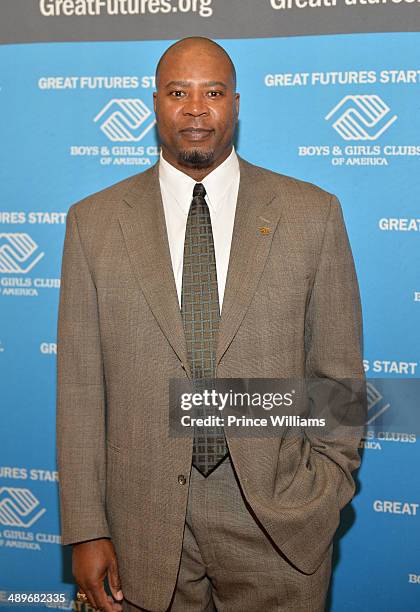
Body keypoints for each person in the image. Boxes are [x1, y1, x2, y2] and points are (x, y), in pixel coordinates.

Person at [56, 37, 366, 612]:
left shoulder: (311, 214)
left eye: (213, 92)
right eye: (179, 92)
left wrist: (322, 490)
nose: (196, 108)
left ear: (236, 104)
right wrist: (86, 527)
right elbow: (79, 392)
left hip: (277, 522)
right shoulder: (93, 224)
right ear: (155, 103)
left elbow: (338, 379)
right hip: (139, 525)